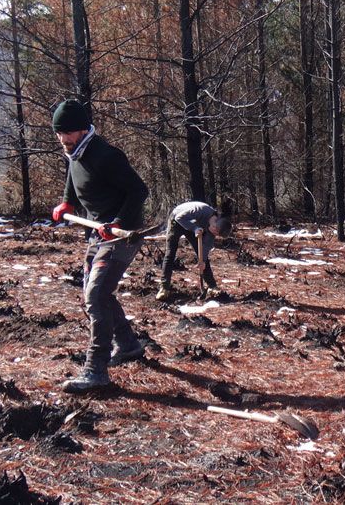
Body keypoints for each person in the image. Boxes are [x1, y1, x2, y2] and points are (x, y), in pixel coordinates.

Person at [50, 99, 150, 393]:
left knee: (95, 295)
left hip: (122, 233)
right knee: (95, 292)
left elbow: (139, 191)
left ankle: (96, 370)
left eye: (68, 133)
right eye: (60, 133)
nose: (64, 139)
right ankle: (129, 346)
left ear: (83, 130)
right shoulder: (76, 153)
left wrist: (117, 221)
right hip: (98, 233)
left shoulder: (106, 155)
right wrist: (67, 200)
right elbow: (73, 172)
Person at [156, 201, 232, 301]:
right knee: (170, 254)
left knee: (202, 257)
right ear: (217, 220)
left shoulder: (212, 230)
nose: (214, 232)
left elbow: (205, 247)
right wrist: (195, 228)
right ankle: (164, 288)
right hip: (177, 219)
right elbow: (179, 218)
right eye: (215, 228)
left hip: (193, 227)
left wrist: (202, 261)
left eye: (217, 233)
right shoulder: (201, 210)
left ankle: (212, 286)